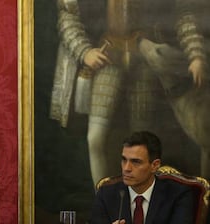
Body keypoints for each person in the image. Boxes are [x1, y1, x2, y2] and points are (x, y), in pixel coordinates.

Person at [50, 0, 207, 186]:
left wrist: (196, 54)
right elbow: (69, 17)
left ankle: (140, 204)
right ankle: (104, 203)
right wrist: (85, 52)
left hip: (145, 62)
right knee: (96, 138)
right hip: (107, 58)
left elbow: (183, 14)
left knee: (142, 144)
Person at [86, 131, 195, 224]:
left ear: (155, 165)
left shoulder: (178, 194)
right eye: (124, 160)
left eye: (135, 162)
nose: (127, 168)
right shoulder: (107, 194)